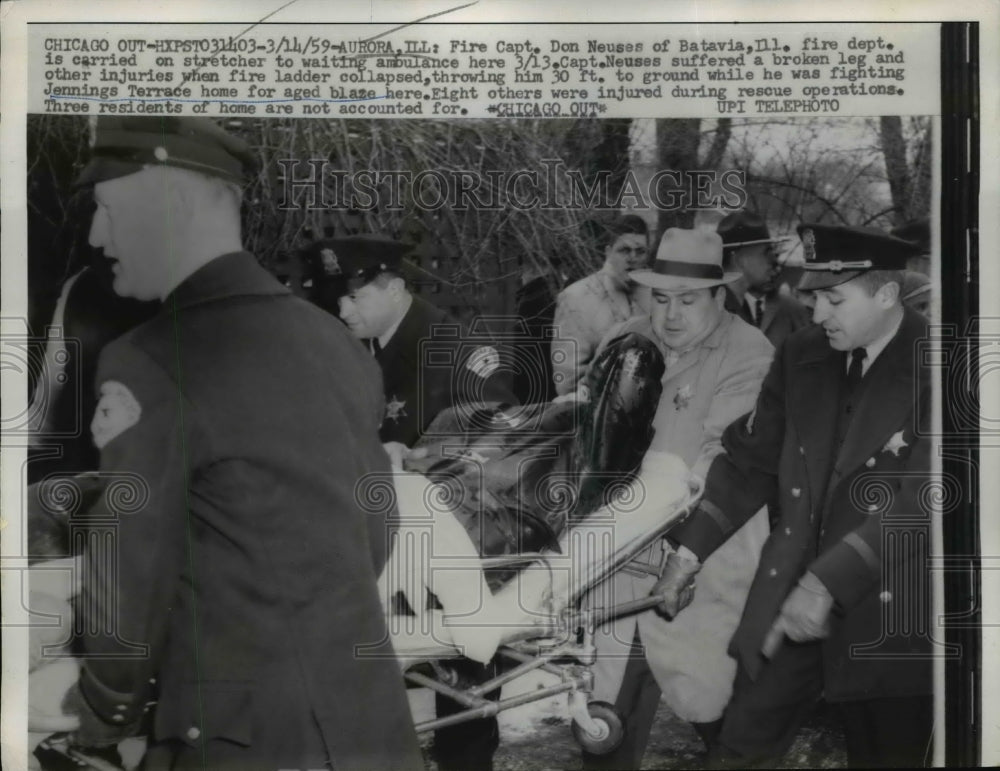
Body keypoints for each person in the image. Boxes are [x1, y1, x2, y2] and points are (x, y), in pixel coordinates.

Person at [48, 116, 422, 771]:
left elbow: (129, 575)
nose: (97, 235)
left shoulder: (152, 359)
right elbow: (374, 529)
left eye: (107, 209)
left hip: (242, 740)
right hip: (370, 723)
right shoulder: (331, 341)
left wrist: (101, 720)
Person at [656, 223, 933, 768]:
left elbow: (923, 502)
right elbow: (748, 464)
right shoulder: (801, 355)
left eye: (834, 298)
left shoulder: (944, 366)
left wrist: (827, 583)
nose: (817, 313)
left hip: (891, 612)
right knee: (737, 749)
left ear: (886, 293)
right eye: (813, 297)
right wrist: (687, 554)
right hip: (788, 605)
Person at [304, 234, 516, 771]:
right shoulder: (356, 346)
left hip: (462, 545)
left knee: (465, 692)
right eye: (338, 298)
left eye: (354, 297)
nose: (342, 309)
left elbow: (498, 438)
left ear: (395, 288)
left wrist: (424, 458)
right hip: (381, 542)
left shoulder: (455, 345)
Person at [580, 228, 774, 769]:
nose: (670, 315)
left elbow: (724, 458)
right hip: (619, 563)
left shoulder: (749, 353)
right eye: (660, 299)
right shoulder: (627, 339)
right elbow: (593, 438)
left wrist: (679, 548)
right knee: (605, 721)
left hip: (702, 560)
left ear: (718, 296)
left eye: (687, 300)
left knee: (719, 717)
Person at [552, 215, 650, 396]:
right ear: (608, 252)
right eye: (624, 250)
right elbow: (567, 381)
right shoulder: (576, 298)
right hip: (596, 411)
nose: (632, 258)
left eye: (640, 251)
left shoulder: (656, 296)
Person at [718, 211, 811, 349]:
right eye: (766, 253)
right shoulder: (712, 310)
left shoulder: (736, 304)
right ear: (739, 259)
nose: (772, 260)